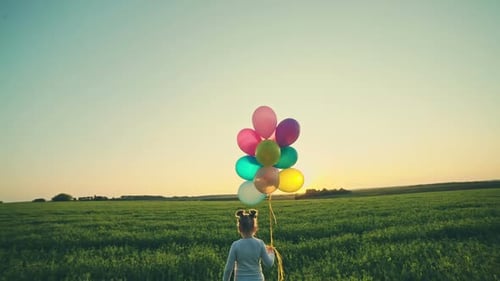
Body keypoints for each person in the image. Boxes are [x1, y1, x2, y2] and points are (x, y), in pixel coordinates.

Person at [223, 209, 275, 281]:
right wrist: (271, 252)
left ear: (239, 228)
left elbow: (228, 269)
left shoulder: (235, 245)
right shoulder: (260, 243)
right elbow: (269, 264)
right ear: (255, 228)